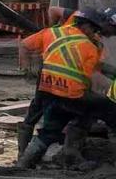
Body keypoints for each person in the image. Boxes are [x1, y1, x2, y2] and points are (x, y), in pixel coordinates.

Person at [16, 9, 113, 168]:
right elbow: (93, 78)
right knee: (106, 107)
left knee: (49, 128)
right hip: (70, 93)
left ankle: (23, 162)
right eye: (94, 30)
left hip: (47, 88)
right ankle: (72, 153)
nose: (95, 33)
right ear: (86, 26)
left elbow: (24, 45)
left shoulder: (51, 32)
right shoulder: (90, 46)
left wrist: (28, 70)